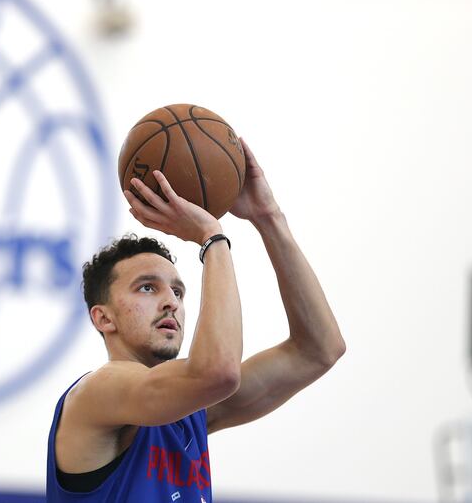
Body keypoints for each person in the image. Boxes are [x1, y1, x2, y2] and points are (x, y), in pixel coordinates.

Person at [46, 139, 346, 502]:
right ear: (103, 317)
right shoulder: (98, 391)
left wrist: (269, 218)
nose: (171, 302)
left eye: (178, 291)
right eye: (146, 288)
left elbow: (320, 350)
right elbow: (219, 372)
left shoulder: (189, 412)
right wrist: (211, 238)